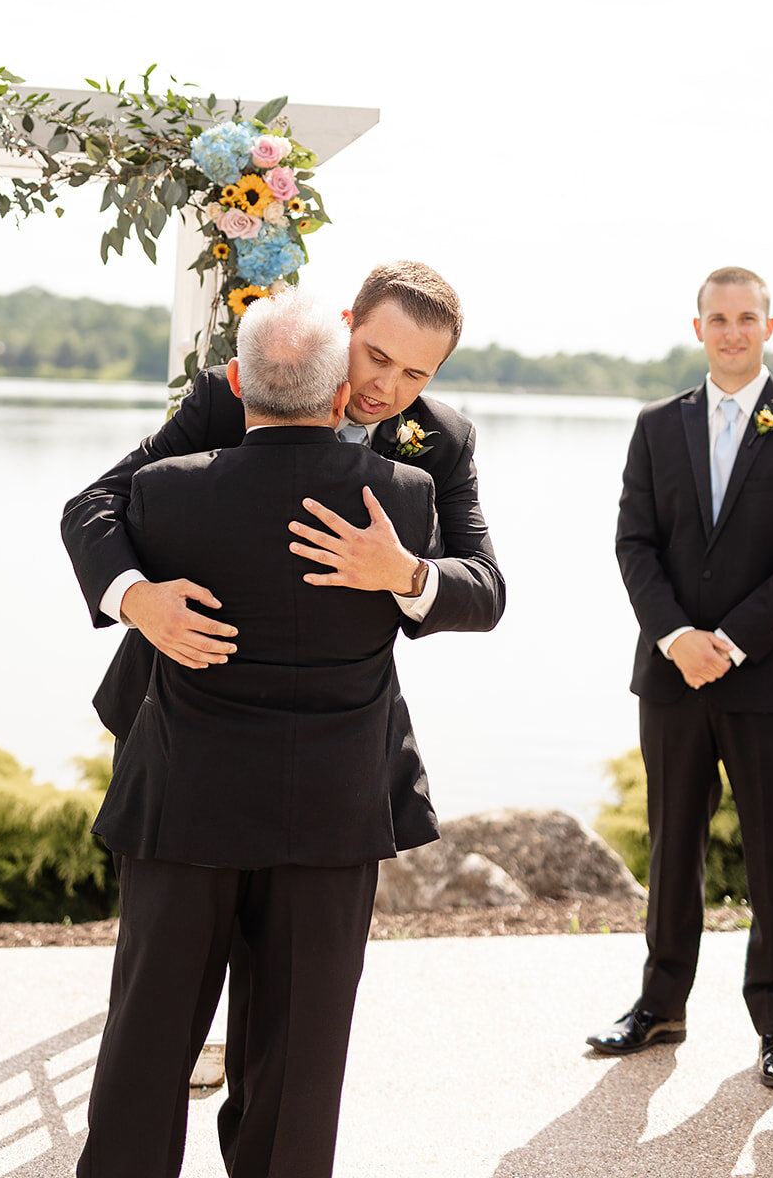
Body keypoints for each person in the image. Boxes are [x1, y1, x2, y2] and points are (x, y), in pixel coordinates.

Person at [62, 259, 504, 1163]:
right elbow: (95, 504)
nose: (387, 386)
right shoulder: (238, 393)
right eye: (376, 355)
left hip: (334, 766)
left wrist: (408, 576)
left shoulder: (441, 446)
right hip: (187, 735)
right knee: (156, 1012)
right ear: (346, 326)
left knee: (298, 1043)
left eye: (417, 373)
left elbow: (485, 586)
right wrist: (135, 595)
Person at [588, 267, 773, 1091]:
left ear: (767, 327)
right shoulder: (655, 425)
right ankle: (658, 1007)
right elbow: (634, 543)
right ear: (698, 326)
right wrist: (678, 636)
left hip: (772, 681)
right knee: (673, 844)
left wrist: (731, 641)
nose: (731, 331)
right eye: (718, 318)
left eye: (746, 317)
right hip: (673, 676)